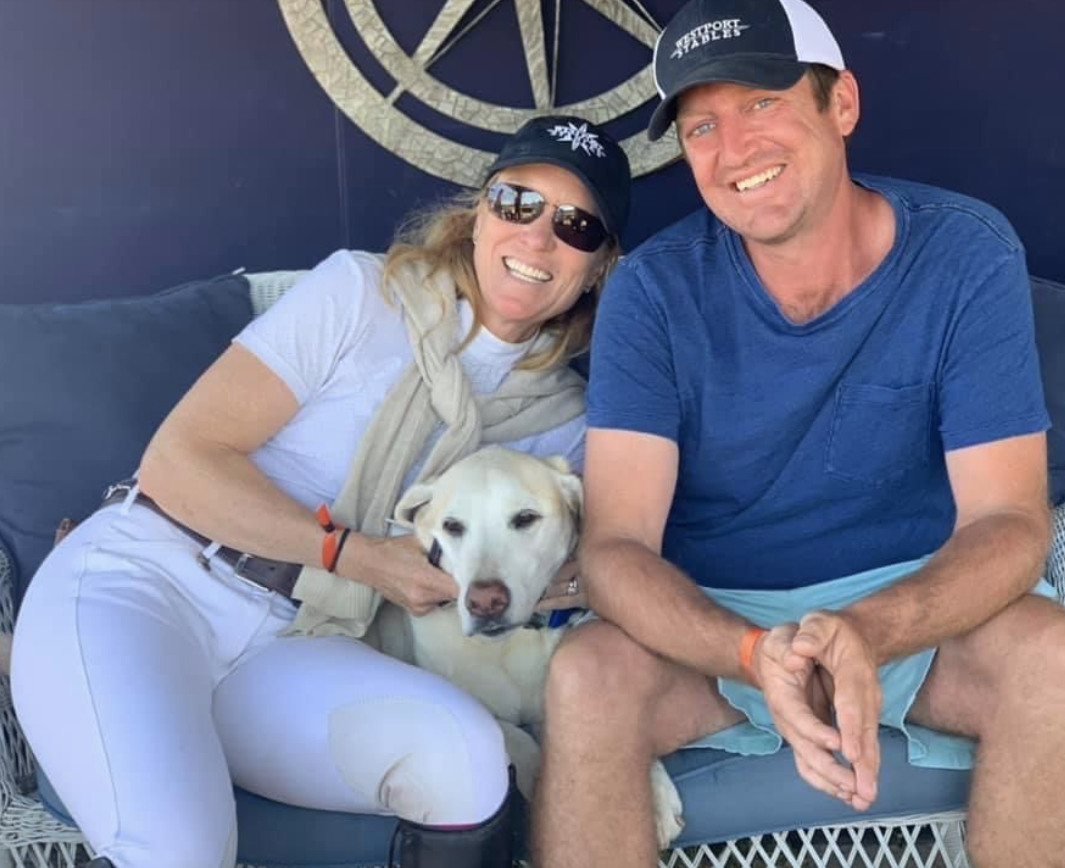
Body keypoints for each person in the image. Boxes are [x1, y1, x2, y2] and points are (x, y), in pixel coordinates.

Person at [531, 2, 1065, 867]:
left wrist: (869, 630)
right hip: (721, 621)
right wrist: (753, 651)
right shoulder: (653, 290)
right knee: (588, 675)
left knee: (1049, 654)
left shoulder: (963, 252)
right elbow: (615, 548)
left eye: (762, 103)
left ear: (842, 105)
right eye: (702, 126)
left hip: (916, 603)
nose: (734, 148)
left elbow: (1011, 525)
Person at [12, 113, 630, 868]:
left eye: (575, 225)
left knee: (467, 758)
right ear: (479, 214)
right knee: (178, 849)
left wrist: (551, 574)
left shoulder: (565, 423)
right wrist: (354, 555)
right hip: (149, 580)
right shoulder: (360, 294)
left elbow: (591, 561)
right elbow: (181, 460)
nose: (537, 237)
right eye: (517, 202)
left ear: (598, 264)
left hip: (295, 638)